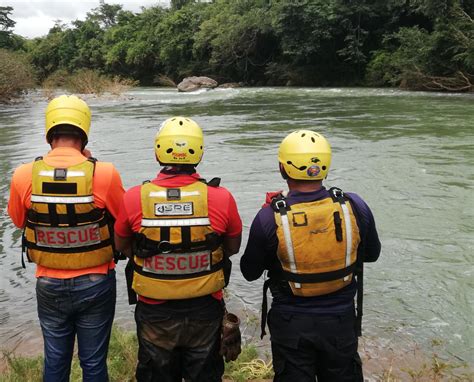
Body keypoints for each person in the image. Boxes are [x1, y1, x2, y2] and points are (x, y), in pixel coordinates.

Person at [240, 130, 381, 382]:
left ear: (282, 168)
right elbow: (372, 254)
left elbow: (250, 273)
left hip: (292, 324)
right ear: (325, 165)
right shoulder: (354, 205)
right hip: (340, 321)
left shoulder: (268, 217)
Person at [114, 116, 242, 382]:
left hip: (154, 310)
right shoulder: (221, 197)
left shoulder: (134, 197)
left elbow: (123, 247)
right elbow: (232, 247)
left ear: (158, 151)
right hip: (206, 308)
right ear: (200, 152)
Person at [8, 95, 125, 382]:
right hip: (96, 281)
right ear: (84, 131)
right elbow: (123, 223)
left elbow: (19, 221)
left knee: (56, 360)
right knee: (94, 363)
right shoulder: (104, 173)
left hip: (48, 283)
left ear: (49, 132)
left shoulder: (24, 175)